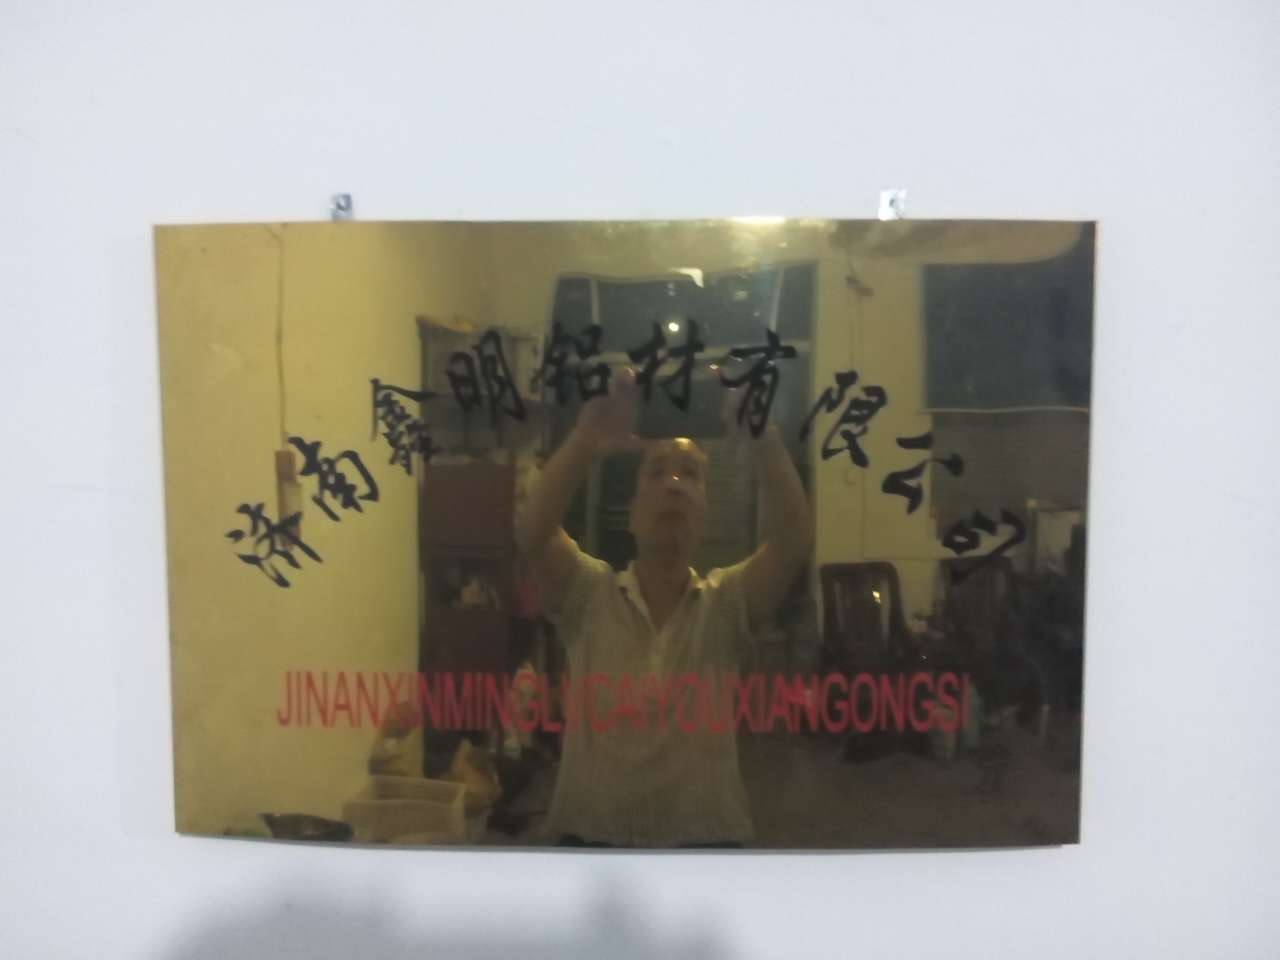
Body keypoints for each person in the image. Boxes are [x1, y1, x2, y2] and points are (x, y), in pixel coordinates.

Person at [515, 368, 812, 846]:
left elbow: (793, 540)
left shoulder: (725, 604)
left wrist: (762, 433)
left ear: (705, 515)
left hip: (706, 847)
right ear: (632, 514)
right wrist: (587, 436)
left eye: (690, 473)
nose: (674, 484)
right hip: (591, 843)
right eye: (657, 471)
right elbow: (533, 532)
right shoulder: (590, 594)